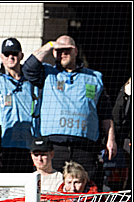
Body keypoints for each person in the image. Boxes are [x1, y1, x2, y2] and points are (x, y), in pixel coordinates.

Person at [23, 35, 117, 188]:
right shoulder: (47, 74)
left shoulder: (94, 78)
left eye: (67, 50)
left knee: (87, 190)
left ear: (76, 52)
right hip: (55, 146)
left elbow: (105, 113)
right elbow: (28, 67)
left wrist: (110, 139)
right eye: (59, 51)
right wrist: (50, 45)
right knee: (55, 191)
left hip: (85, 147)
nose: (63, 54)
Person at [0, 38, 38, 173]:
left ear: (21, 56)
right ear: (1, 57)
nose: (11, 57)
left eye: (14, 54)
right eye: (7, 54)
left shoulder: (32, 82)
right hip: (4, 145)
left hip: (28, 145)